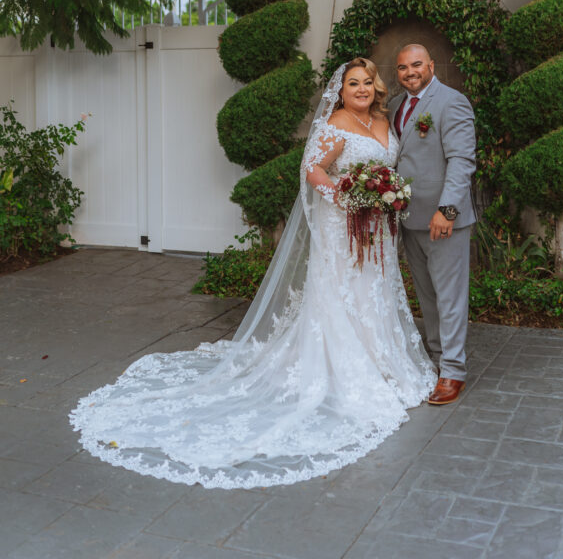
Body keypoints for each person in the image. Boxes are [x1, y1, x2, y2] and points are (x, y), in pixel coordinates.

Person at [70, 58, 434, 490]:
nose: (360, 89)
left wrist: (382, 193)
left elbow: (388, 168)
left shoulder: (381, 120)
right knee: (344, 292)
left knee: (374, 290)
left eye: (367, 83)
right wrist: (346, 192)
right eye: (352, 83)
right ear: (341, 91)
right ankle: (347, 369)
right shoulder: (336, 123)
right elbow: (313, 171)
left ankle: (383, 360)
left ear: (377, 88)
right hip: (343, 226)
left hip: (375, 230)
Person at [389, 44, 477, 405]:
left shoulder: (451, 101)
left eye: (416, 65)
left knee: (450, 297)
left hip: (444, 221)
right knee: (427, 297)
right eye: (402, 67)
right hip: (409, 218)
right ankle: (438, 358)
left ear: (431, 65)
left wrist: (448, 210)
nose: (410, 72)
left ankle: (453, 372)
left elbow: (461, 160)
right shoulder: (396, 106)